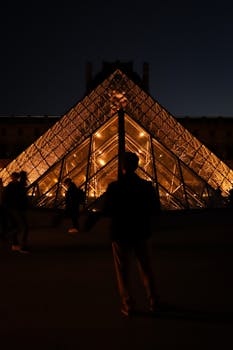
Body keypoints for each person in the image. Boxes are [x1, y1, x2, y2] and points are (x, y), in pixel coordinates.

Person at [102, 152, 161, 317]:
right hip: (141, 231)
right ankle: (154, 301)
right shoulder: (146, 186)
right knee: (146, 268)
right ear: (137, 166)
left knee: (123, 271)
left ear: (122, 167)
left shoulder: (114, 187)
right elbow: (156, 209)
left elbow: (106, 210)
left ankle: (128, 305)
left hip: (120, 232)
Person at [3, 171, 29, 253]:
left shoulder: (10, 186)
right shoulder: (18, 185)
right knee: (23, 227)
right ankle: (20, 245)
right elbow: (23, 198)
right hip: (17, 209)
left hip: (12, 208)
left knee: (16, 226)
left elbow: (5, 198)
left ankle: (15, 244)